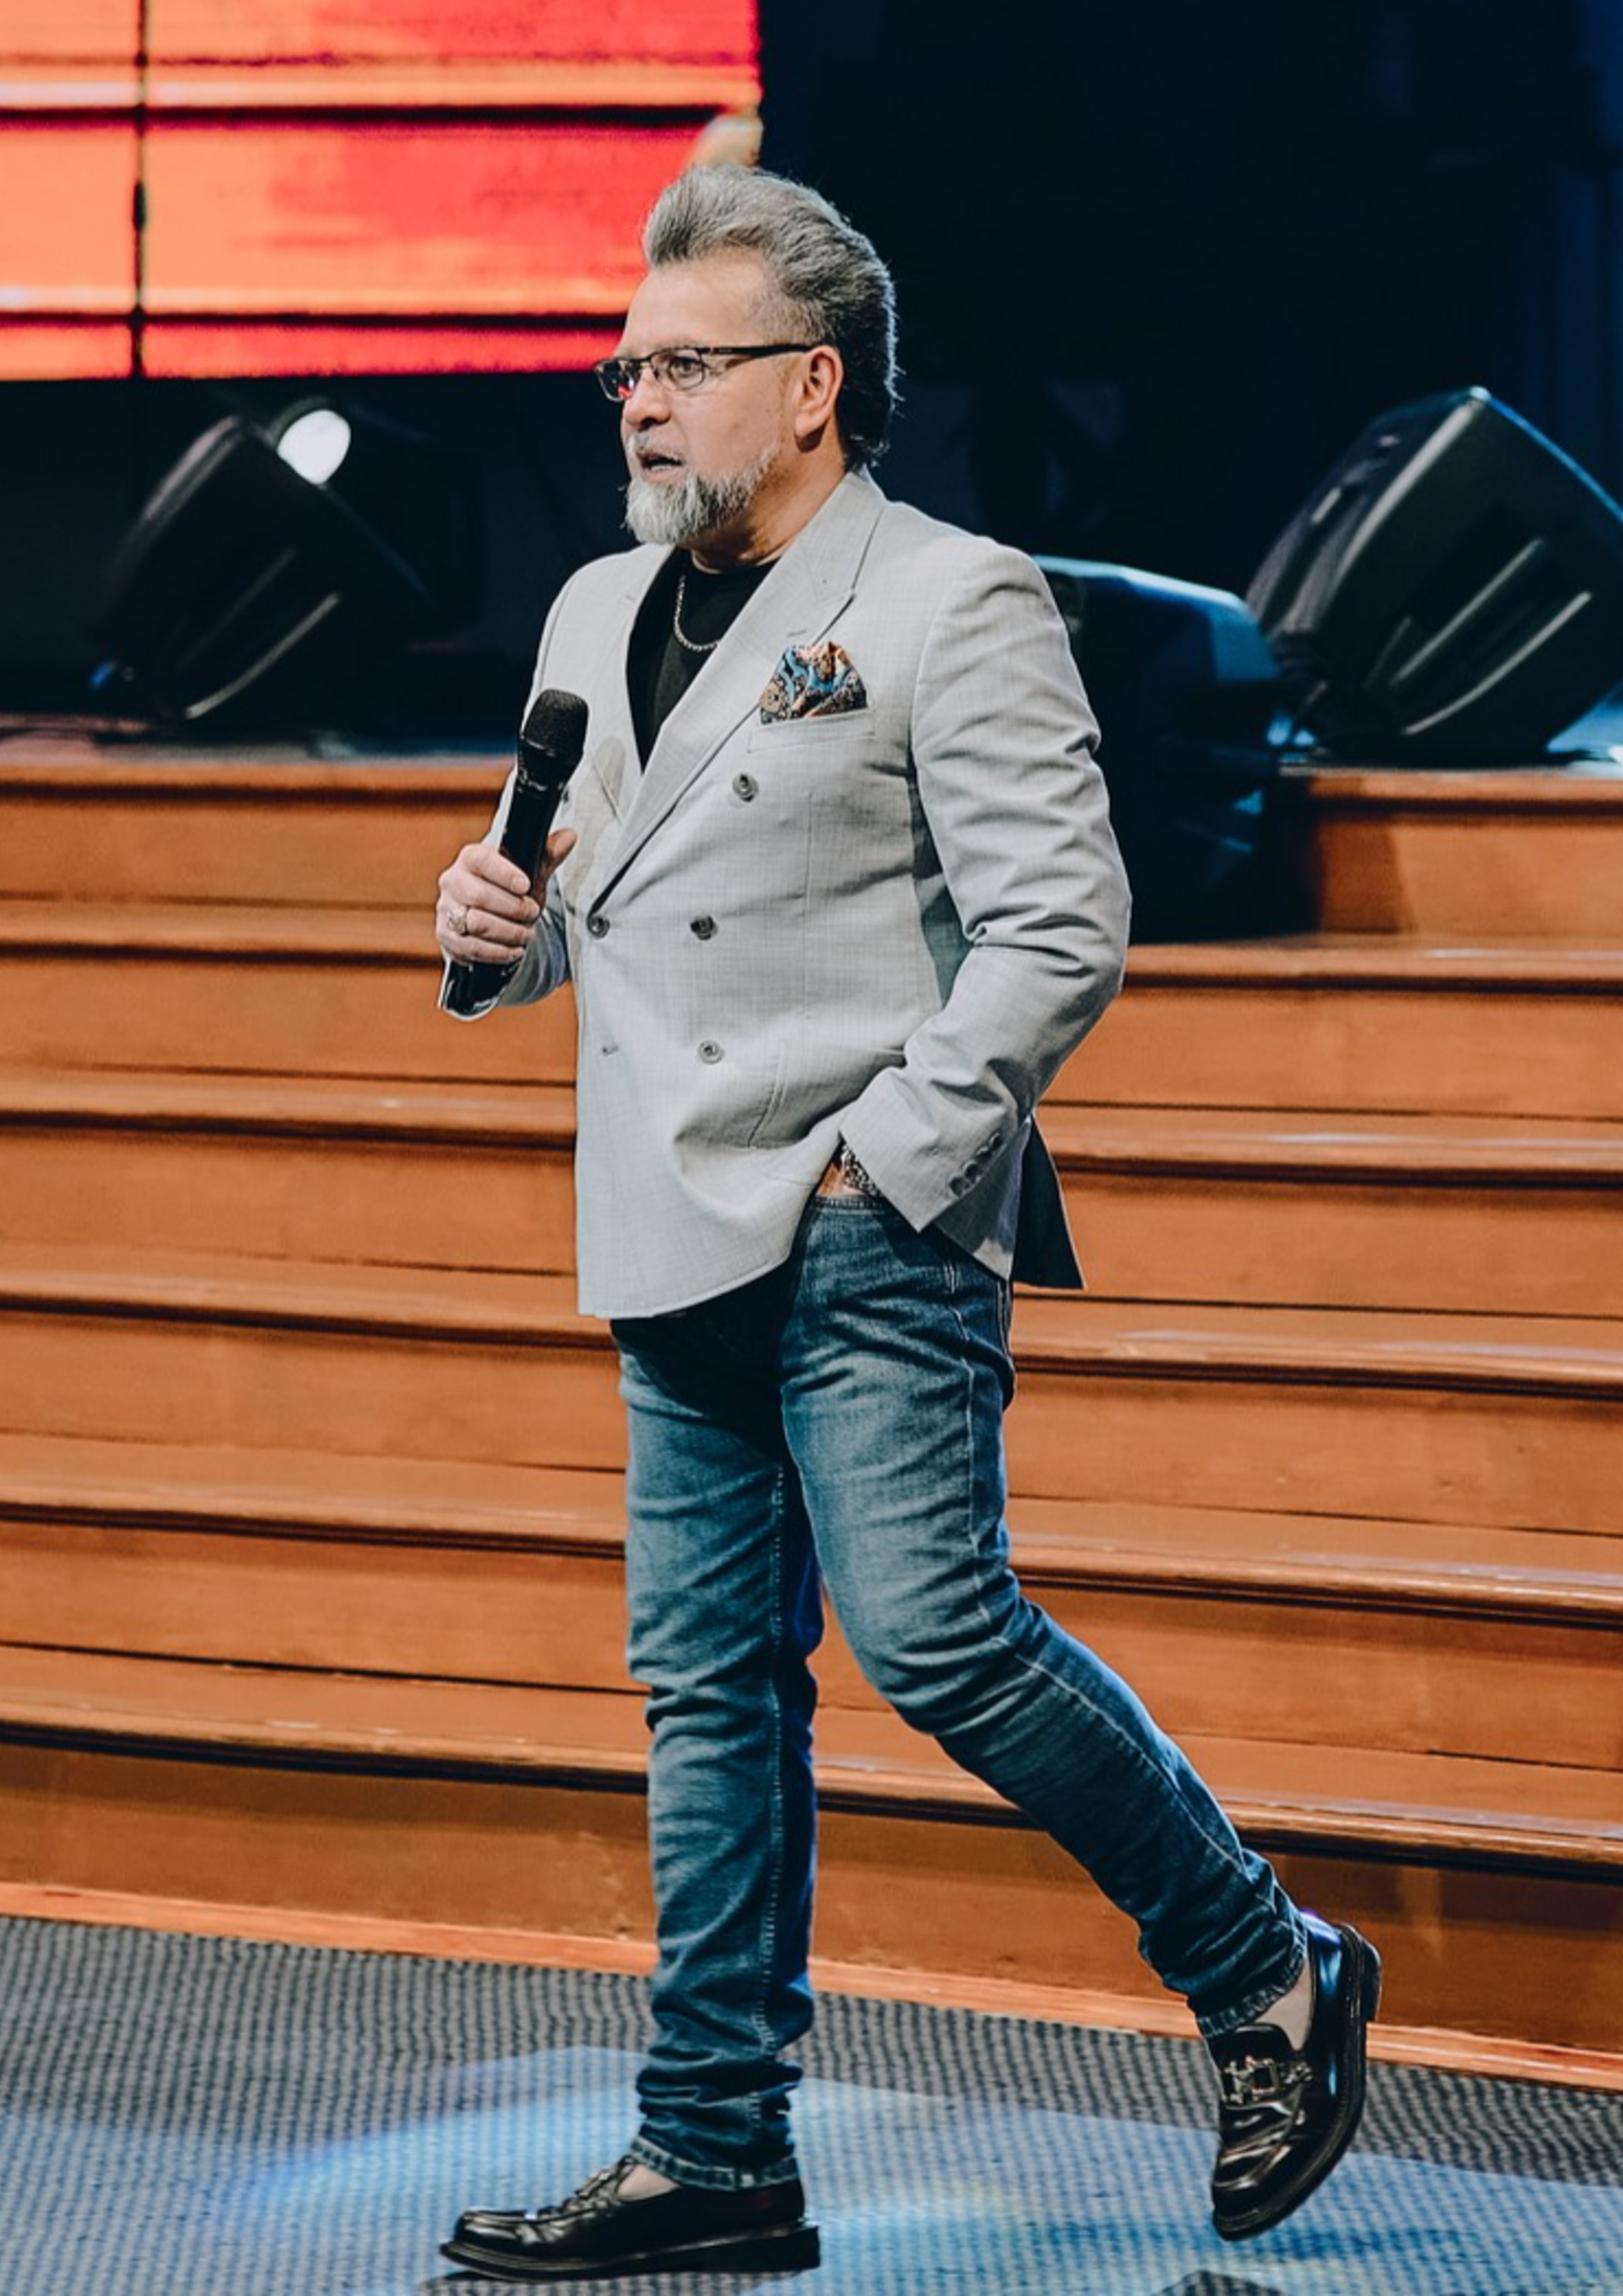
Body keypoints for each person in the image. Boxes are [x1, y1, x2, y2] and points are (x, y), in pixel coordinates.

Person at [432, 164, 1377, 2281]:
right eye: (622, 368)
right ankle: (714, 2149)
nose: (637, 402)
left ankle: (1265, 1966)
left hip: (862, 1211)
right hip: (665, 1205)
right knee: (709, 1696)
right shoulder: (593, 609)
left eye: (682, 365)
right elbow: (583, 893)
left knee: (938, 1637)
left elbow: (1061, 926)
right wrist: (493, 929)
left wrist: (893, 1148)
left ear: (813, 387)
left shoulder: (955, 596)